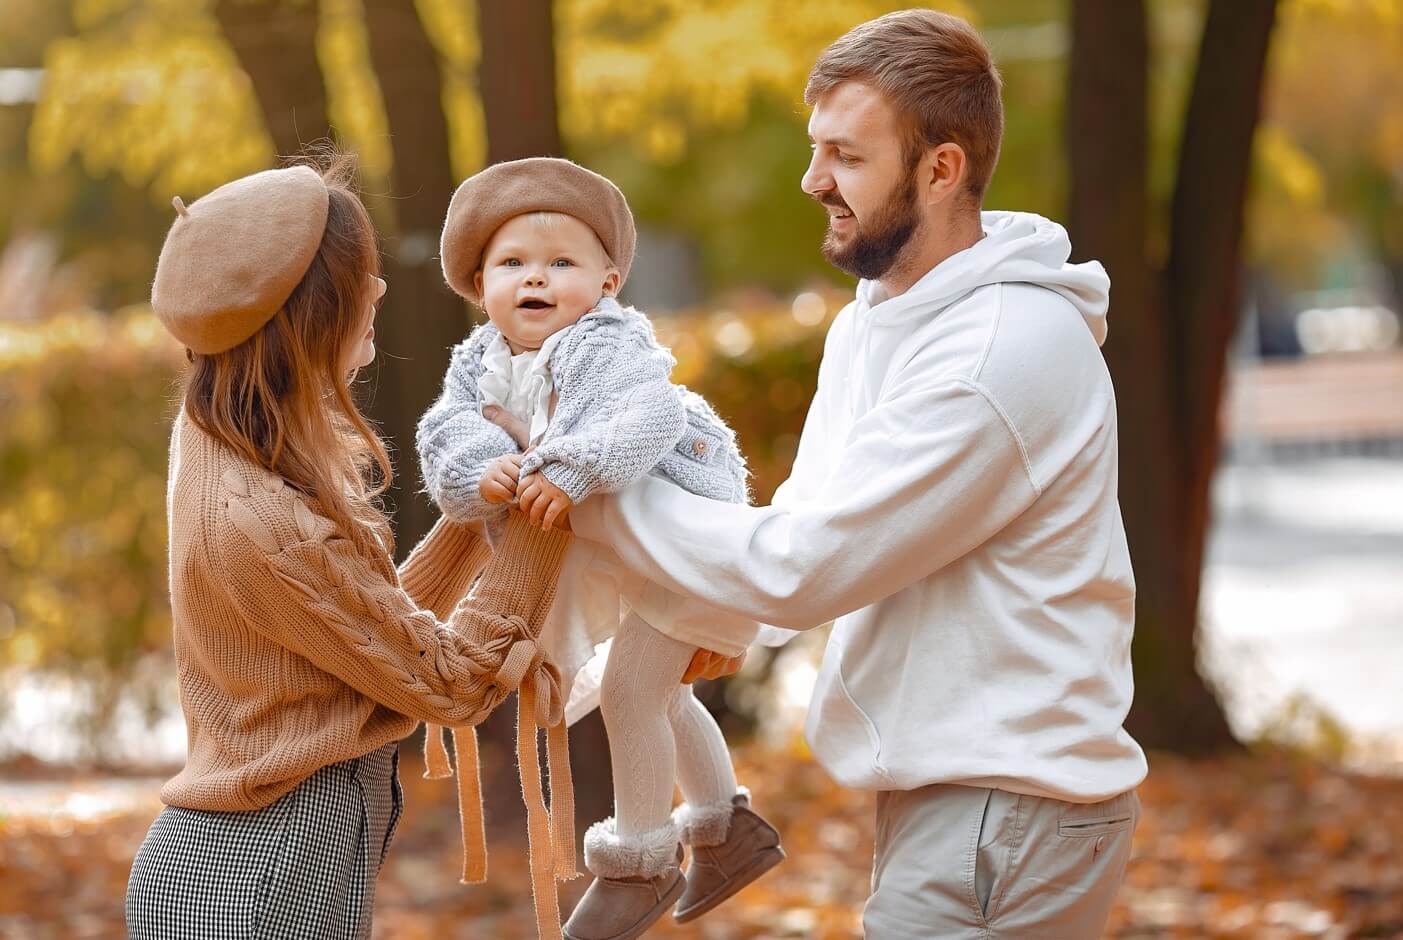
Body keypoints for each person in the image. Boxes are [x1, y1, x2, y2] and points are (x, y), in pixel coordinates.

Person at [567, 10, 1149, 937]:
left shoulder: (995, 354)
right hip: (959, 804)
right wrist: (661, 642)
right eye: (815, 148)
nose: (813, 180)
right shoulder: (875, 317)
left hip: (1009, 811)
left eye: (845, 155)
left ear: (940, 169)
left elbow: (806, 567)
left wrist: (590, 498)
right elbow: (812, 527)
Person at [124, 154, 578, 940]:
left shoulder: (217, 439)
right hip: (257, 891)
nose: (379, 290)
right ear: (312, 312)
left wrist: (488, 499)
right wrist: (548, 510)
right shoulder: (259, 522)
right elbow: (451, 686)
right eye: (357, 278)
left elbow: (364, 628)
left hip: (243, 872)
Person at [417, 157, 785, 940]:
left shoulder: (606, 343)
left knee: (631, 692)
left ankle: (639, 863)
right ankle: (727, 831)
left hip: (680, 533)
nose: (535, 278)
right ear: (479, 285)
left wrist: (570, 466)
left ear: (607, 283)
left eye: (561, 263)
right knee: (664, 694)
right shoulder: (477, 362)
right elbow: (446, 430)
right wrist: (481, 470)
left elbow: (647, 415)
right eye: (512, 264)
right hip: (634, 552)